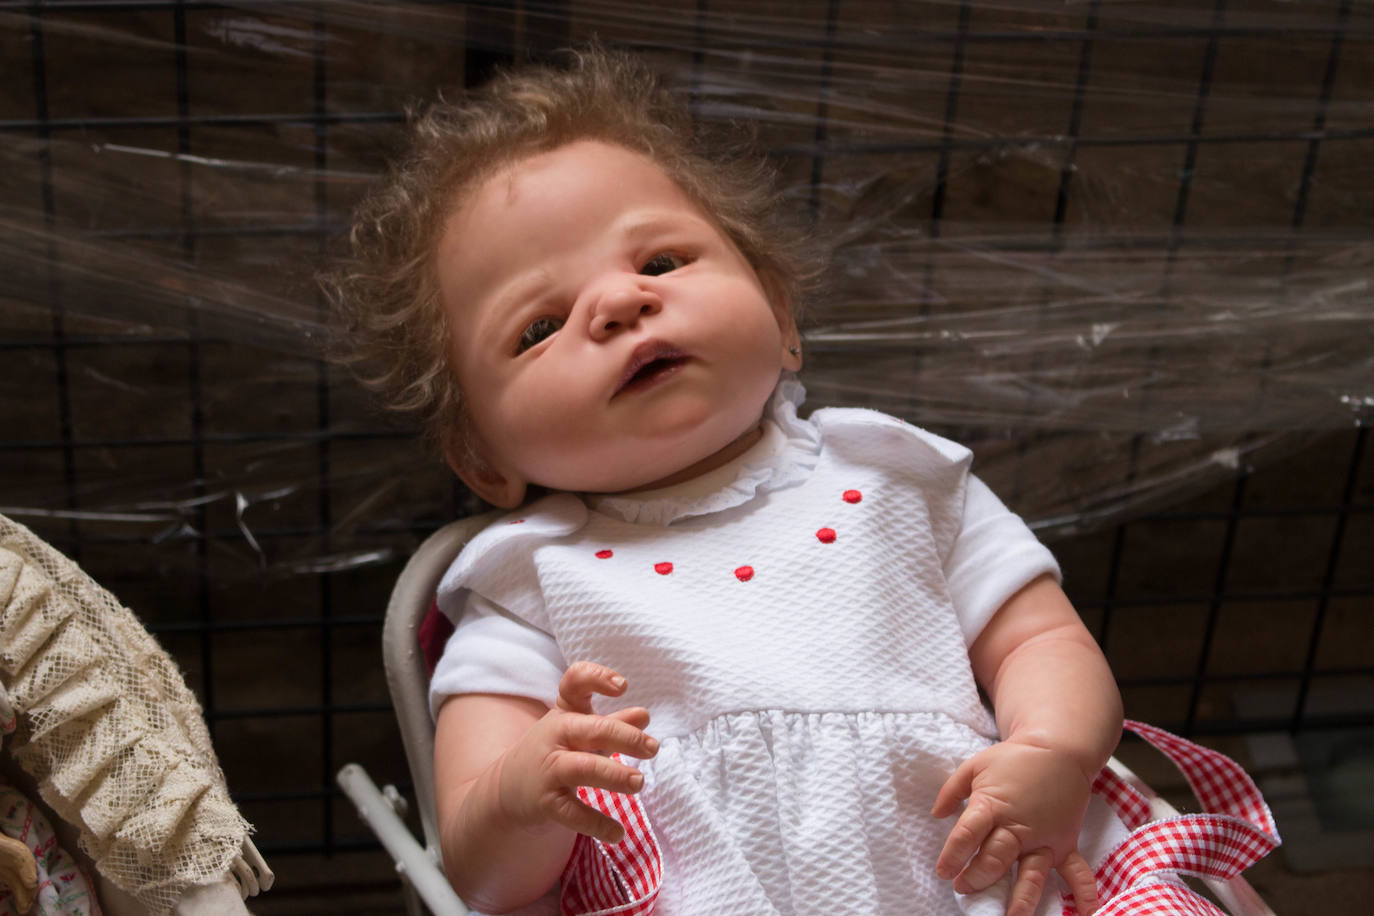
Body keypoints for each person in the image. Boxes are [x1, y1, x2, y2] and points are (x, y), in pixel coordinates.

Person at [329, 47, 1127, 916]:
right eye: (541, 325)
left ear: (780, 316)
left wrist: (1052, 749)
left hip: (975, 874)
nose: (619, 304)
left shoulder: (896, 478)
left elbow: (1040, 644)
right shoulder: (529, 586)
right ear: (484, 458)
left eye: (662, 262)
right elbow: (485, 880)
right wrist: (523, 794)